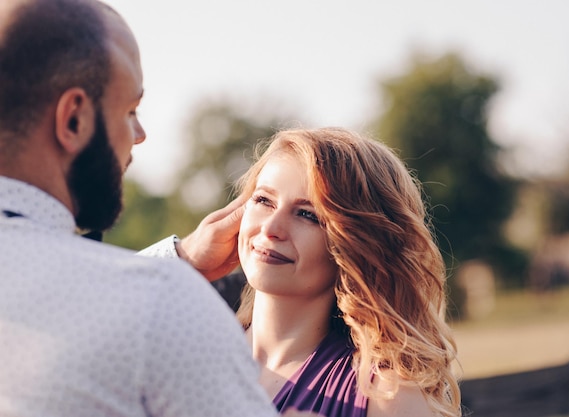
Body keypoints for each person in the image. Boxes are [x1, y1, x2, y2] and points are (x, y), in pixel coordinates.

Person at [0, 1, 313, 416]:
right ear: (73, 119)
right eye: (129, 110)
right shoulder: (161, 307)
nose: (141, 134)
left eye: (308, 213)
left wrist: (179, 259)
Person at [230, 127, 462, 417]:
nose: (271, 229)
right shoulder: (190, 351)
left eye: (308, 215)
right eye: (264, 200)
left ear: (357, 244)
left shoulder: (387, 395)